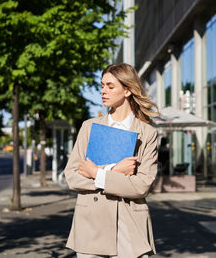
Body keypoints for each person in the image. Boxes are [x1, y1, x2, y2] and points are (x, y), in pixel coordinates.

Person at [64, 63, 159, 258]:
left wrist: (96, 173)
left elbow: (142, 185)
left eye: (110, 86)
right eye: (102, 85)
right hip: (91, 223)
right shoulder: (89, 127)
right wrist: (114, 170)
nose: (103, 91)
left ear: (127, 90)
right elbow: (72, 176)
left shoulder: (147, 133)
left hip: (130, 224)